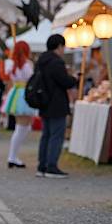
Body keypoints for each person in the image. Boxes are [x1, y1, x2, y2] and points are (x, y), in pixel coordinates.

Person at [36, 34, 77, 178]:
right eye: (63, 46)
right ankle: (51, 166)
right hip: (56, 103)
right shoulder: (56, 62)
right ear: (59, 46)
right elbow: (65, 81)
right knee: (56, 136)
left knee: (46, 135)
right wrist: (74, 78)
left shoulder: (41, 60)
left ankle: (42, 166)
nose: (64, 49)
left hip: (44, 102)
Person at [4, 41, 36, 169]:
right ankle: (12, 157)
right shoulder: (27, 64)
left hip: (16, 92)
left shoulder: (11, 64)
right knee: (22, 127)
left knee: (22, 127)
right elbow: (30, 79)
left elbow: (9, 79)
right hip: (24, 94)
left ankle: (13, 157)